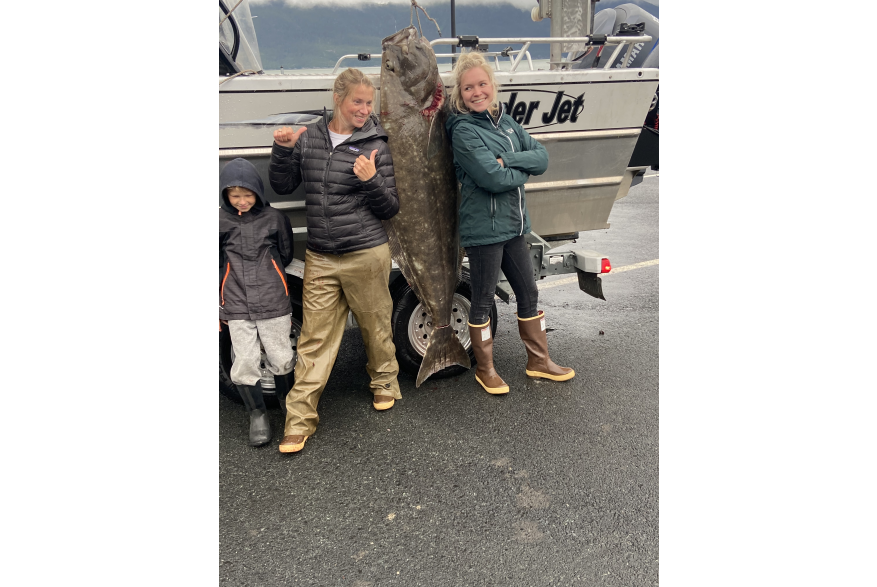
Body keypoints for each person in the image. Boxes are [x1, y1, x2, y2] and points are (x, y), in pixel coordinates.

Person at [269, 68, 401, 454]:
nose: (363, 109)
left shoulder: (376, 142)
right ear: (338, 99)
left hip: (366, 253)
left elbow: (390, 207)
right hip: (322, 257)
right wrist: (281, 149)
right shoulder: (309, 138)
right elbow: (282, 186)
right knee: (313, 339)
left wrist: (371, 179)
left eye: (368, 103)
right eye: (357, 102)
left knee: (376, 326)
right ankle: (299, 420)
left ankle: (384, 383)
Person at [445, 52, 575, 395]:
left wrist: (510, 159)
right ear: (460, 93)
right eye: (469, 87)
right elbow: (492, 178)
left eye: (482, 84)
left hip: (515, 226)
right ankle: (485, 368)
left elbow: (542, 157)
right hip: (483, 230)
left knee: (528, 292)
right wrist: (517, 169)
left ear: (492, 85)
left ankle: (539, 361)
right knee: (484, 298)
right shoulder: (462, 130)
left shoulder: (505, 121)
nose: (477, 92)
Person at [219, 157, 296, 447]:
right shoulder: (221, 221)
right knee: (245, 360)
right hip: (237, 303)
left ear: (258, 192)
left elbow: (285, 253)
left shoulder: (275, 218)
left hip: (273, 299)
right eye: (234, 195)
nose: (241, 201)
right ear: (226, 195)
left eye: (247, 194)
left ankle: (289, 406)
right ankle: (257, 414)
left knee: (281, 355)